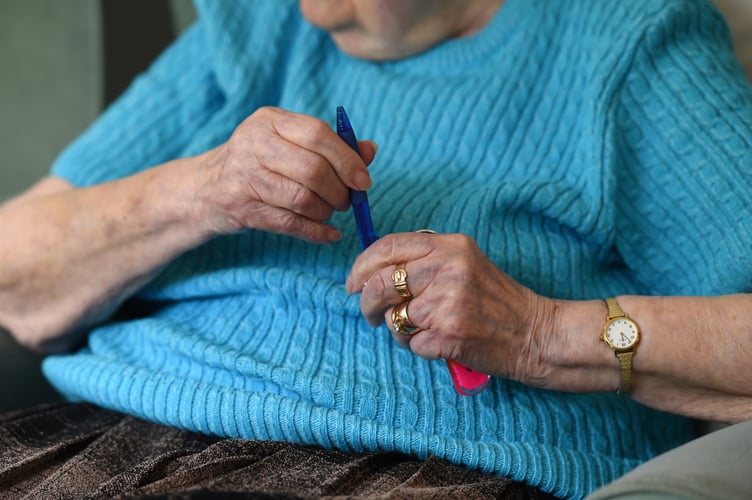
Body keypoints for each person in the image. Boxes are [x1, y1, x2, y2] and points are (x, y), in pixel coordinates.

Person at [0, 0, 751, 497]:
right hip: (111, 435)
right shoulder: (256, 24)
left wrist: (540, 333)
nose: (313, 11)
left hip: (420, 470)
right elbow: (14, 271)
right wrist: (202, 189)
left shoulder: (627, 43)